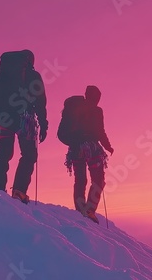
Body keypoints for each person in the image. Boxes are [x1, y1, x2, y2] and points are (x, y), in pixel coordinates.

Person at [0, 50, 48, 204]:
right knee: (29, 155)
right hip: (23, 119)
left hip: (2, 119)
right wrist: (44, 124)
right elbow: (40, 102)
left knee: (3, 154)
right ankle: (19, 191)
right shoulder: (33, 75)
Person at [63, 85, 114, 223]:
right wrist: (108, 146)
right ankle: (89, 210)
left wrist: (74, 142)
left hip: (76, 148)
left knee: (80, 180)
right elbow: (100, 131)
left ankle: (81, 211)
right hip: (92, 149)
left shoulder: (76, 109)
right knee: (98, 180)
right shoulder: (97, 111)